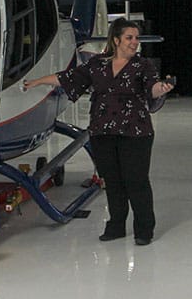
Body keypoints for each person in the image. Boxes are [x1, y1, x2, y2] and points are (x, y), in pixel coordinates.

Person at [24, 18, 175, 245]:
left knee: (136, 181)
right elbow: (69, 77)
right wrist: (37, 82)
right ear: (116, 40)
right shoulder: (97, 64)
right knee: (112, 181)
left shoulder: (143, 65)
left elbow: (152, 88)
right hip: (102, 132)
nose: (135, 42)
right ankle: (115, 226)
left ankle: (144, 230)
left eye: (136, 38)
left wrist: (161, 89)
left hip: (135, 132)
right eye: (129, 38)